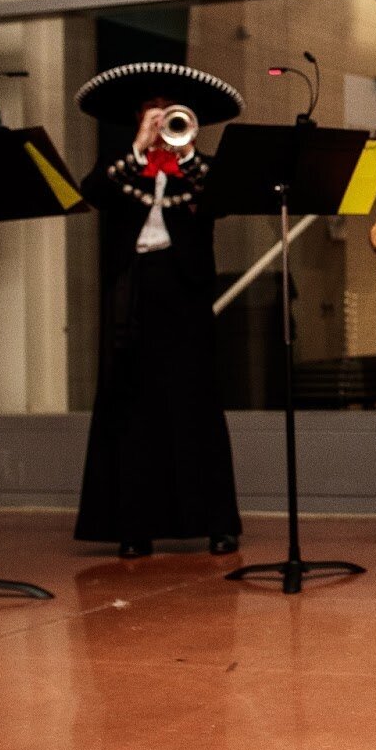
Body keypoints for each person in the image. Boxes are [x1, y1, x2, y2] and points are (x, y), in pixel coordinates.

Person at [73, 61, 246, 559]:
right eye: (152, 110)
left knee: (196, 401)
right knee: (130, 404)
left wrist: (184, 151)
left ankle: (216, 523)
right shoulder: (118, 165)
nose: (160, 117)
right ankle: (133, 526)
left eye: (168, 110)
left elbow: (220, 201)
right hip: (133, 288)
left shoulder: (203, 167)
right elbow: (93, 194)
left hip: (184, 287)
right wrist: (137, 147)